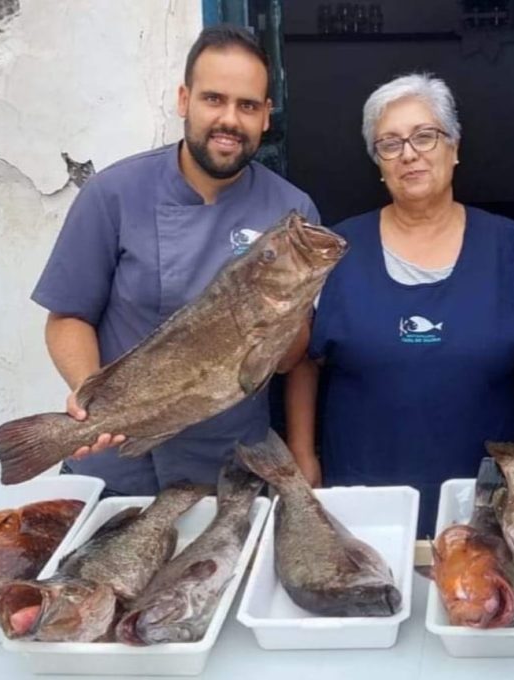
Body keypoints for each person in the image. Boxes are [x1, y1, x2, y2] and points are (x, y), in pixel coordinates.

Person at [31, 24, 319, 495]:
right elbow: (67, 317)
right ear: (184, 100)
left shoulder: (292, 215)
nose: (229, 119)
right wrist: (93, 400)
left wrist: (286, 316)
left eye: (247, 105)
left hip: (231, 469)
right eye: (213, 99)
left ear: (267, 116)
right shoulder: (114, 194)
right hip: (120, 467)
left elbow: (289, 361)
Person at [285, 73, 514, 537]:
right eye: (389, 144)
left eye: (425, 136)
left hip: (484, 502)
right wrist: (303, 459)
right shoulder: (339, 249)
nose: (409, 153)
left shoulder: (506, 246)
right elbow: (303, 361)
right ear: (379, 164)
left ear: (454, 148)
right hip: (363, 499)